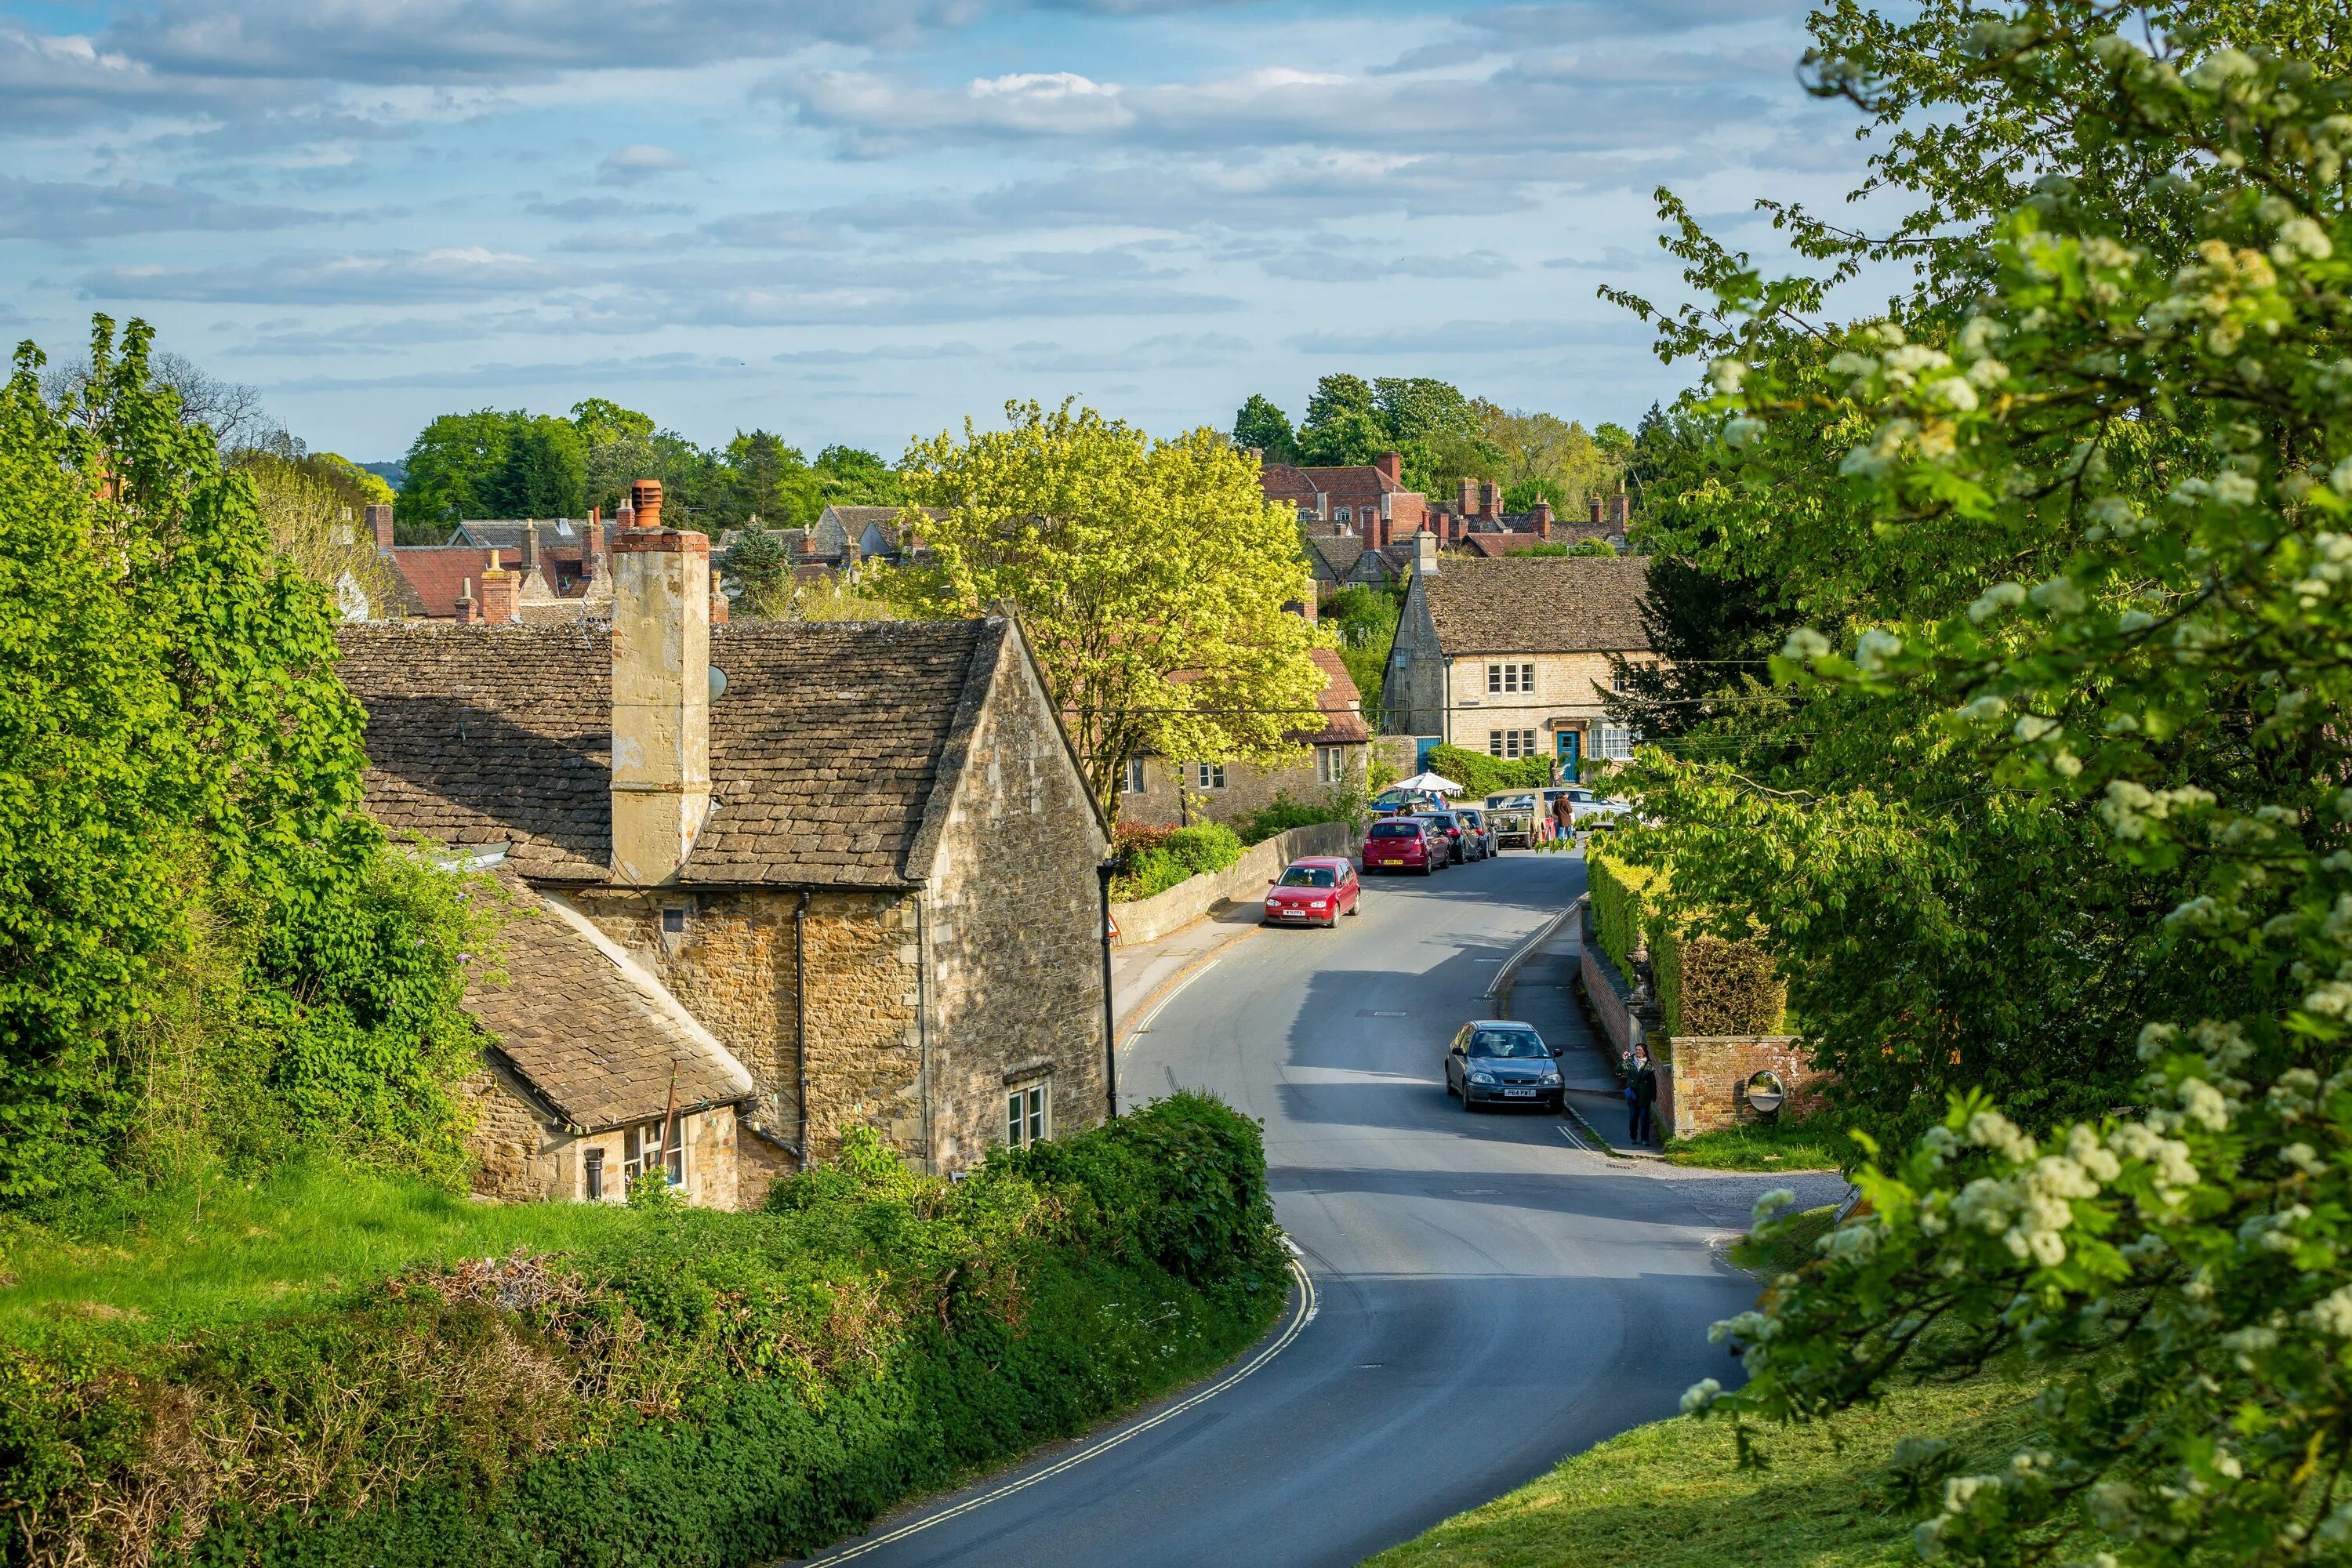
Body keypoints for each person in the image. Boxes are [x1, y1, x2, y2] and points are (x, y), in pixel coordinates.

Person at [1630, 1048, 1658, 1146]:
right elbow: (1618, 1070)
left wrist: (1653, 1096)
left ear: (1644, 1052)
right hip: (1633, 1096)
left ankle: (1645, 1139)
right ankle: (1633, 1137)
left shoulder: (1649, 1065)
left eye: (1640, 1050)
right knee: (1633, 1118)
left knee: (1644, 1119)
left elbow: (1653, 1082)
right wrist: (1623, 1060)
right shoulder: (1630, 1061)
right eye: (1636, 1049)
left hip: (1644, 1096)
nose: (1637, 1051)